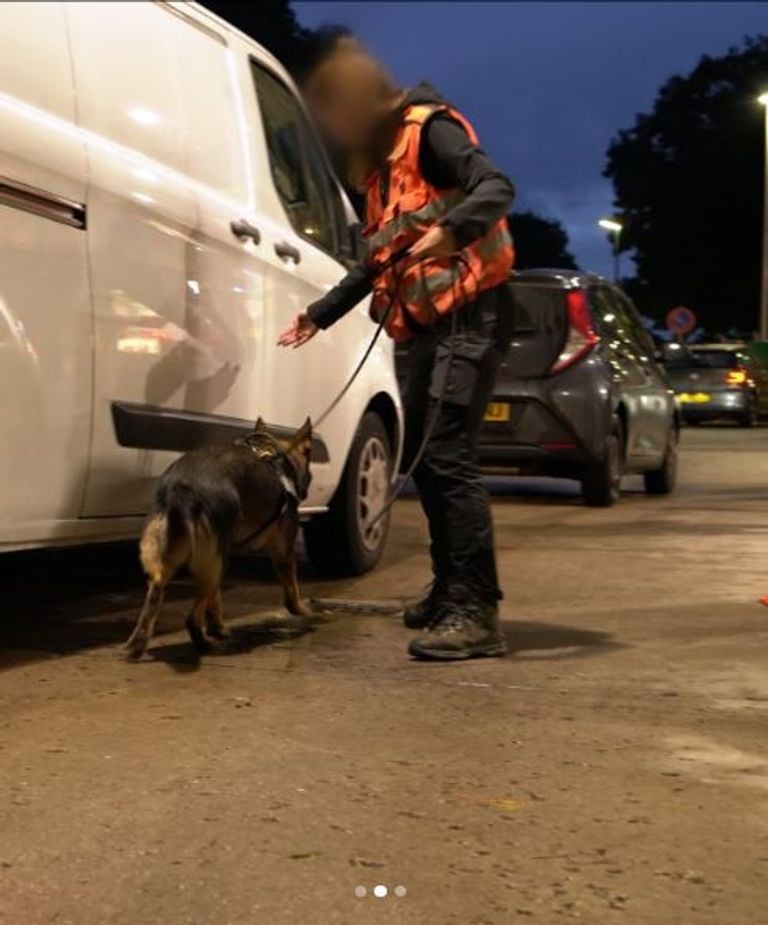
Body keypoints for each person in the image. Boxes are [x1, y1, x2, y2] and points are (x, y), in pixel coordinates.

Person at [278, 33, 516, 660]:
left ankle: (477, 610)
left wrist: (452, 229)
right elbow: (374, 263)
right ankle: (450, 590)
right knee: (427, 456)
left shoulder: (430, 133)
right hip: (432, 325)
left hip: (473, 314)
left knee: (447, 458)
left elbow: (496, 186)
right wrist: (317, 316)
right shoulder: (381, 174)